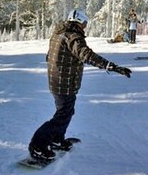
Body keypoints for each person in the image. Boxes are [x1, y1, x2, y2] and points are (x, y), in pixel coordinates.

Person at [28, 9, 131, 162]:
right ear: (79, 22)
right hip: (65, 83)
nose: (85, 26)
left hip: (58, 81)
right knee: (63, 115)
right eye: (85, 23)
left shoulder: (58, 34)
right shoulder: (73, 37)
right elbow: (87, 55)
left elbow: (49, 56)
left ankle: (56, 139)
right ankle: (37, 145)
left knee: (66, 112)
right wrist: (111, 66)